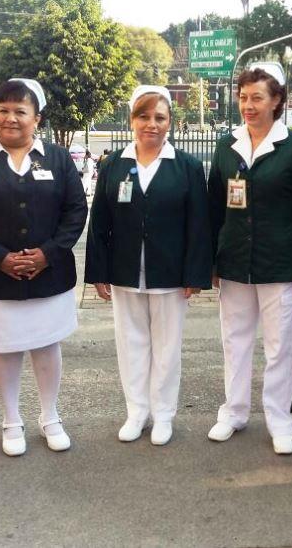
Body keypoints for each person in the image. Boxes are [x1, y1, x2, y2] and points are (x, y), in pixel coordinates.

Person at [0, 79, 87, 456]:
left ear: (37, 119)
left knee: (46, 346)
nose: (10, 118)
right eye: (3, 110)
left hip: (50, 274)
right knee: (6, 349)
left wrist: (48, 254)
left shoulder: (57, 159)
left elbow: (75, 210)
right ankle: (11, 420)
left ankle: (50, 416)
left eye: (20, 111)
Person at [85, 85, 212, 445]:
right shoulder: (113, 164)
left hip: (170, 273)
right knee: (131, 345)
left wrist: (195, 273)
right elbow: (100, 221)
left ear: (170, 121)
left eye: (159, 117)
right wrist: (98, 271)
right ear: (132, 120)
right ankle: (137, 412)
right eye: (143, 116)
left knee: (167, 348)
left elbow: (198, 225)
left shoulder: (186, 167)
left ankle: (164, 415)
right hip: (125, 271)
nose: (151, 124)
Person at [206, 66, 292, 455]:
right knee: (234, 342)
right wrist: (212, 260)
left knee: (280, 346)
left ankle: (279, 420)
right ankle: (234, 412)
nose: (248, 105)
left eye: (257, 97)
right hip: (235, 261)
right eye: (243, 97)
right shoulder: (227, 145)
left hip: (280, 264)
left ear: (277, 101)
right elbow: (214, 206)